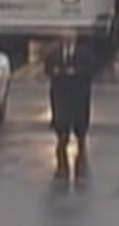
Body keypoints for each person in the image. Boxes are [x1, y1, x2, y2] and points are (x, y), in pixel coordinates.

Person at [46, 35, 96, 175]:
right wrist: (57, 72)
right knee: (61, 121)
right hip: (61, 94)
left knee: (79, 119)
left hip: (78, 93)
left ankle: (80, 143)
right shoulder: (54, 53)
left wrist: (76, 72)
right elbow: (47, 69)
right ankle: (62, 158)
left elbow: (91, 69)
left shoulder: (84, 53)